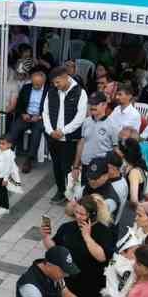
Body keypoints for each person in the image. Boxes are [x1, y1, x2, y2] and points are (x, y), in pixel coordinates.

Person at [43, 67, 87, 203]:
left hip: (69, 138)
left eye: (58, 82)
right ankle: (61, 191)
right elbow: (45, 113)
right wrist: (50, 131)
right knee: (56, 165)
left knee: (67, 166)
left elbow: (80, 117)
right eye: (54, 83)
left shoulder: (80, 92)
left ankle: (71, 194)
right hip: (53, 136)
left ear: (66, 77)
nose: (56, 85)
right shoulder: (51, 92)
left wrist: (64, 131)